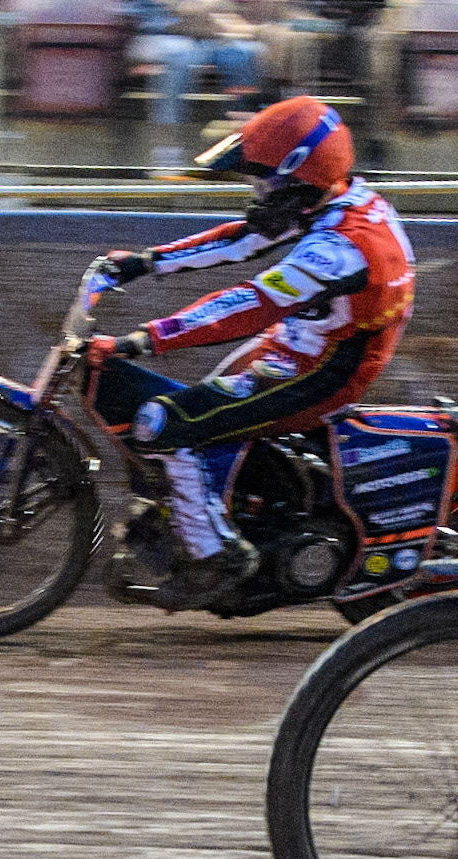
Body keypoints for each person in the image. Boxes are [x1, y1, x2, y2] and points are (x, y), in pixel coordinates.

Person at [88, 95, 415, 609]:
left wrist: (146, 339)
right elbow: (240, 240)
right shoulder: (332, 201)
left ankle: (216, 556)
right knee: (209, 408)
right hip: (307, 342)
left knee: (162, 421)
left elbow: (248, 305)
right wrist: (144, 262)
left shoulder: (340, 248)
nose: (256, 190)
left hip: (325, 371)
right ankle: (219, 513)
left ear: (296, 177)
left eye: (263, 180)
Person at [123, 0, 267, 167]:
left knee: (243, 56)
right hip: (175, 40)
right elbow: (164, 17)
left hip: (217, 40)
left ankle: (240, 146)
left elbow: (233, 19)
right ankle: (168, 155)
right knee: (176, 65)